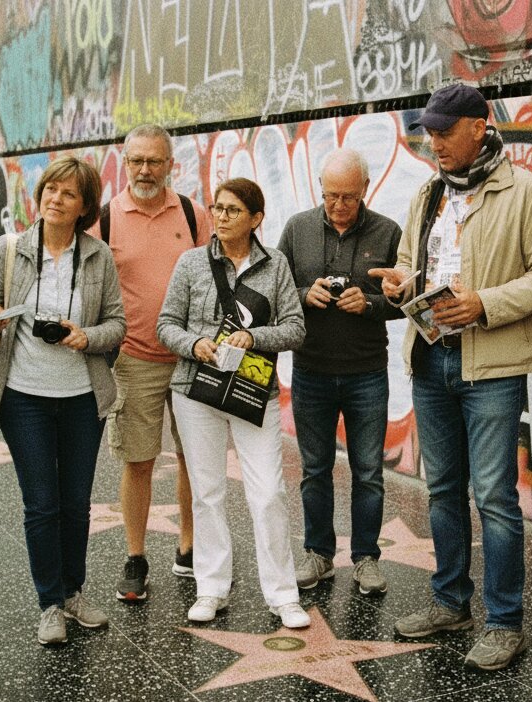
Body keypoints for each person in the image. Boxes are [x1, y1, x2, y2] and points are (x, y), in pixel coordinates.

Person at [370, 83, 532, 671]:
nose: (434, 143)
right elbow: (413, 264)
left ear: (479, 127)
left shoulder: (525, 190)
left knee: (495, 498)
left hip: (492, 366)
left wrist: (484, 303)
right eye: (428, 132)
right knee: (442, 491)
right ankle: (451, 602)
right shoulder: (428, 194)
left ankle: (505, 624)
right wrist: (400, 284)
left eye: (444, 131)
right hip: (431, 358)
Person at [0, 157, 126, 645]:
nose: (55, 199)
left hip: (82, 397)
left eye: (68, 193)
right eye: (50, 189)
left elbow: (118, 325)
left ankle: (74, 591)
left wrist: (87, 337)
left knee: (75, 503)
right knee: (41, 504)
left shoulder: (98, 256)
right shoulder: (11, 247)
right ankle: (50, 604)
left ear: (84, 207)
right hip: (24, 397)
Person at [156, 177, 309, 628]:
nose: (220, 217)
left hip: (252, 391)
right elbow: (167, 325)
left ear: (256, 219)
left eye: (232, 210)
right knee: (207, 492)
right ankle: (211, 588)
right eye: (217, 208)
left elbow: (296, 328)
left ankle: (283, 595)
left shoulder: (275, 265)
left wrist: (254, 336)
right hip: (196, 390)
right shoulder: (191, 263)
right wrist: (196, 344)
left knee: (268, 493)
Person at [276, 148, 402, 595]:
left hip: (367, 371)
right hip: (310, 368)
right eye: (331, 196)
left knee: (368, 470)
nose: (339, 205)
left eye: (348, 196)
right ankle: (318, 553)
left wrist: (369, 304)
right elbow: (272, 290)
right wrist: (299, 293)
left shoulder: (388, 232)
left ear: (366, 189)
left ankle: (366, 557)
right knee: (315, 468)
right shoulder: (297, 229)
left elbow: (407, 299)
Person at [102, 124, 211, 600]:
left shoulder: (193, 214)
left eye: (154, 161)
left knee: (193, 458)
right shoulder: (104, 219)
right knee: (138, 460)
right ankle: (136, 556)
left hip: (191, 358)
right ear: (125, 163)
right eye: (136, 161)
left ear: (171, 164)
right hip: (134, 359)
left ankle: (188, 548)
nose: (145, 170)